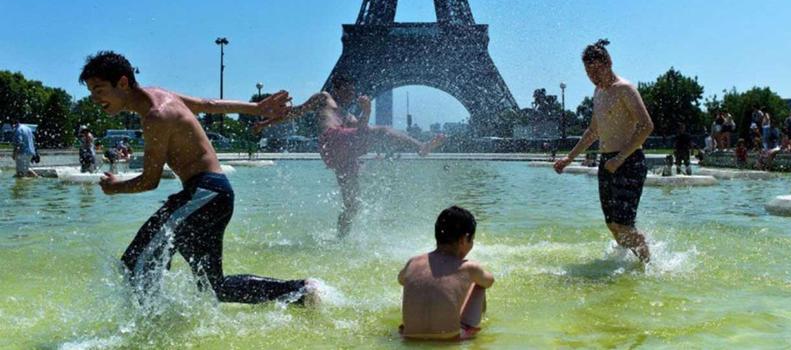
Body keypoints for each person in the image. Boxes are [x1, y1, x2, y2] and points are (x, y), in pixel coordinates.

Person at [79, 51, 316, 304]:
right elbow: (209, 105)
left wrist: (115, 187)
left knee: (135, 261)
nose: (95, 99)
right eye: (92, 92)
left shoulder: (156, 116)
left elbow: (150, 181)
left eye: (99, 89)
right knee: (214, 287)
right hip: (215, 195)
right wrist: (255, 108)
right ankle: (303, 292)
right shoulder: (161, 96)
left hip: (204, 194)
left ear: (123, 83)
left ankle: (147, 330)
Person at [255, 76, 444, 237]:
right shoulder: (324, 98)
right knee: (383, 130)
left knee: (352, 205)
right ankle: (421, 147)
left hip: (343, 154)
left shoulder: (348, 115)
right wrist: (266, 123)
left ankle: (340, 239)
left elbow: (361, 131)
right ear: (338, 88)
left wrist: (367, 111)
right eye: (348, 90)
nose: (351, 94)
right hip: (333, 139)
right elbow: (295, 112)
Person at [553, 39, 653, 262]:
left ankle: (648, 266)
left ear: (609, 63)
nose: (593, 76)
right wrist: (569, 158)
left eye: (597, 70)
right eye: (588, 72)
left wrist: (620, 158)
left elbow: (646, 126)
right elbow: (592, 132)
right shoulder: (598, 92)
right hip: (607, 162)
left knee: (623, 225)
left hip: (629, 161)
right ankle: (635, 259)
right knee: (612, 226)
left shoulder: (625, 89)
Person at [398, 206, 494, 340]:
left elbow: (401, 280)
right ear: (463, 239)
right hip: (450, 340)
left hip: (408, 337)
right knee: (479, 285)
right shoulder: (470, 268)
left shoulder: (413, 262)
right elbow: (490, 281)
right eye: (471, 240)